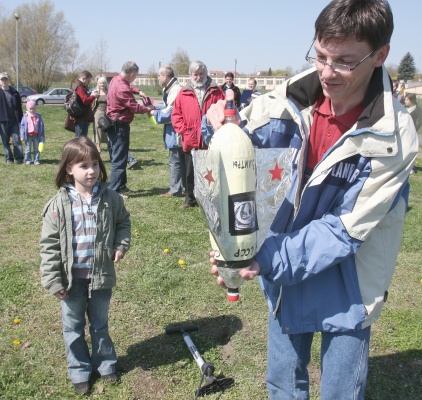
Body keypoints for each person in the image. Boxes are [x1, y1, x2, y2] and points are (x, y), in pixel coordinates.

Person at [205, 1, 418, 398]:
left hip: (350, 281)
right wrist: (218, 121)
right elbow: (239, 142)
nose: (326, 71)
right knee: (283, 381)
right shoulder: (288, 98)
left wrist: (264, 257)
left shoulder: (395, 135)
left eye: (343, 61)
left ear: (380, 55)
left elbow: (344, 230)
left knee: (341, 389)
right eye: (319, 55)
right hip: (286, 273)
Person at [39, 136, 131, 395]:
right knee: (73, 327)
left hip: (101, 275)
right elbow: (49, 246)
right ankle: (79, 370)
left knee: (100, 324)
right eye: (83, 166)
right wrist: (53, 280)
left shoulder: (110, 198)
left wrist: (119, 246)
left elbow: (123, 223)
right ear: (69, 168)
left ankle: (105, 364)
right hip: (71, 281)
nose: (91, 171)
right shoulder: (57, 205)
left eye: (94, 164)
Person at [172, 60, 225, 208]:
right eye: (195, 74)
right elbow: (176, 115)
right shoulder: (183, 92)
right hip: (191, 138)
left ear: (206, 73)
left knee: (210, 171)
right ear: (190, 75)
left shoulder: (216, 91)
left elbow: (223, 109)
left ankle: (210, 198)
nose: (198, 77)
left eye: (201, 74)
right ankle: (190, 199)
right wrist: (184, 130)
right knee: (189, 171)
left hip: (210, 139)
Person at [105, 61, 153, 197]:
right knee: (119, 158)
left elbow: (128, 86)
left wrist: (138, 91)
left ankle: (121, 185)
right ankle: (114, 190)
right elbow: (134, 107)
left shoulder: (116, 79)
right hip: (119, 125)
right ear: (131, 74)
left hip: (115, 123)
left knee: (122, 154)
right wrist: (147, 108)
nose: (134, 79)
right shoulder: (122, 88)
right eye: (135, 76)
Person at [149, 65, 185, 197]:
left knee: (175, 160)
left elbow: (171, 113)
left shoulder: (175, 90)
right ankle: (183, 187)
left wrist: (154, 113)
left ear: (165, 76)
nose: (158, 78)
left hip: (177, 131)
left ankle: (175, 190)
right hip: (173, 130)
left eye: (159, 75)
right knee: (179, 160)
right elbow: (165, 106)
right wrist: (156, 110)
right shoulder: (170, 88)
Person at [0, 72, 23, 164]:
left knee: (16, 139)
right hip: (2, 121)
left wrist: (21, 120)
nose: (4, 81)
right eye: (2, 79)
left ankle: (19, 158)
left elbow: (19, 107)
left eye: (6, 79)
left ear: (9, 80)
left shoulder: (14, 92)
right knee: (5, 141)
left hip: (14, 121)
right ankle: (9, 158)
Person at [73, 70, 99, 138]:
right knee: (80, 138)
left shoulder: (78, 86)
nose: (88, 83)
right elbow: (85, 100)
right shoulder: (80, 87)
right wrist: (93, 96)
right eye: (88, 81)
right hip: (81, 116)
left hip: (80, 115)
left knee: (81, 138)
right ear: (83, 78)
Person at [19, 100, 45, 165]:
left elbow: (41, 126)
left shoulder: (38, 116)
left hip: (36, 136)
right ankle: (28, 160)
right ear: (27, 109)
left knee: (36, 149)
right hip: (28, 136)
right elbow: (22, 127)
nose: (32, 110)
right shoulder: (25, 117)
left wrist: (42, 135)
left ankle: (36, 160)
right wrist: (22, 136)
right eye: (30, 109)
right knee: (28, 149)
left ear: (35, 109)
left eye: (33, 109)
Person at [404, 92, 421, 174]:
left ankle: (412, 168)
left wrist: (414, 129)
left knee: (410, 150)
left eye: (407, 100)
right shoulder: (404, 108)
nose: (405, 101)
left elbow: (420, 121)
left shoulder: (417, 109)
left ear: (412, 100)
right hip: (403, 131)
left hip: (411, 132)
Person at [91, 76, 109, 152]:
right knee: (97, 128)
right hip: (98, 113)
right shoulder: (95, 92)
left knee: (107, 128)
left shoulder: (108, 91)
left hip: (107, 113)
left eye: (104, 83)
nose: (102, 84)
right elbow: (91, 102)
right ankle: (98, 145)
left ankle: (109, 144)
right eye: (101, 83)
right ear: (98, 84)